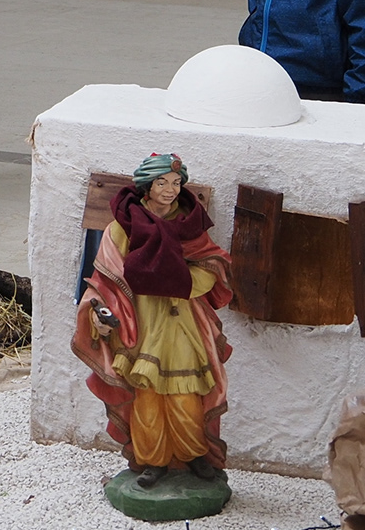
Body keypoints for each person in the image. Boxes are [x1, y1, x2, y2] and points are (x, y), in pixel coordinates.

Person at [71, 154, 233, 490]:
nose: (170, 190)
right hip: (142, 321)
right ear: (148, 185)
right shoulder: (124, 227)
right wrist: (99, 314)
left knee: (186, 393)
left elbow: (211, 263)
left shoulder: (188, 224)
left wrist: (177, 281)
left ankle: (192, 455)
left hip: (182, 320)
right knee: (146, 394)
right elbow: (106, 278)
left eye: (176, 183)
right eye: (162, 183)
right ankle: (153, 460)